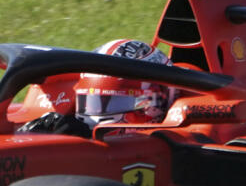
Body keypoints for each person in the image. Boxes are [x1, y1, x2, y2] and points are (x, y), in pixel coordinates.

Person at [19, 39, 175, 136]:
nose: (97, 116)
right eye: (92, 102)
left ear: (154, 101)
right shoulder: (72, 128)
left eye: (115, 103)